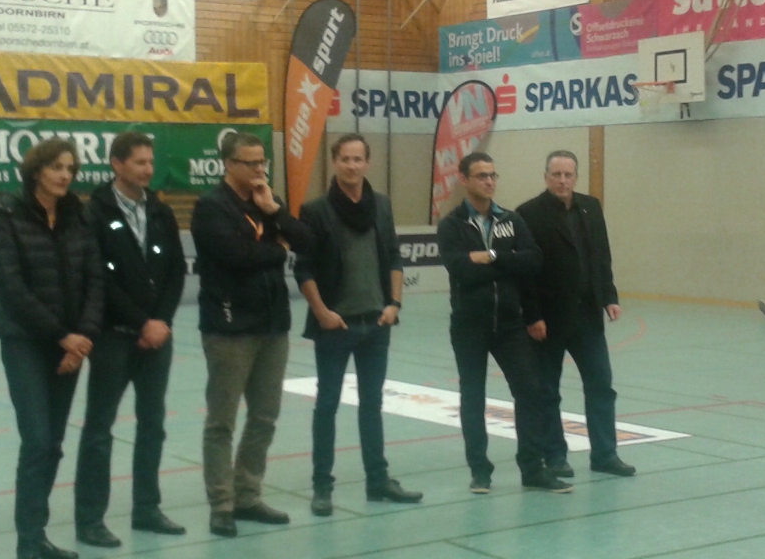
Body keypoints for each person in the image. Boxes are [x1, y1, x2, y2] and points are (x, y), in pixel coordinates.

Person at [0, 138, 103, 559]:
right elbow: (9, 284)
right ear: (36, 170)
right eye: (56, 167)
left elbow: (95, 280)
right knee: (36, 440)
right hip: (25, 343)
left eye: (70, 168)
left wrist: (81, 338)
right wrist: (61, 335)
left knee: (53, 443)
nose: (64, 175)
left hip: (71, 346)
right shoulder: (8, 215)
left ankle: (40, 532)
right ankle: (27, 548)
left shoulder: (79, 217)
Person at [295, 133, 422, 517]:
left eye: (358, 159)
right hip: (336, 327)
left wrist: (394, 304)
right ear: (335, 162)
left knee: (372, 405)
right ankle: (322, 487)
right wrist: (322, 312)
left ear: (367, 162)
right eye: (345, 159)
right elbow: (304, 269)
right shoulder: (315, 211)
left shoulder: (381, 205)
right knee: (327, 405)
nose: (352, 165)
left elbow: (394, 257)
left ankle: (378, 481)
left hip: (376, 324)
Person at [191, 132, 311, 538]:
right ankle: (221, 503)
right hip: (229, 328)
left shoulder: (266, 200)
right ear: (229, 164)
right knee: (221, 421)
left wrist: (274, 214)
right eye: (251, 163)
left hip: (273, 325)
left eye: (262, 162)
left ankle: (247, 494)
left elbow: (305, 241)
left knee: (264, 416)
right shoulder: (211, 207)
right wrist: (277, 250)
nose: (259, 169)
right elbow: (236, 256)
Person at [74, 132, 187, 548]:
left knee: (152, 425)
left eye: (150, 162)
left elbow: (176, 269)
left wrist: (162, 321)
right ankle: (90, 519)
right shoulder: (93, 212)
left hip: (157, 338)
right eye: (139, 162)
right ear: (116, 164)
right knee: (99, 429)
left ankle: (147, 509)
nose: (147, 169)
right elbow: (99, 278)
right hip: (113, 338)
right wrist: (142, 322)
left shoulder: (159, 210)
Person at [437, 152, 571, 495]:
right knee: (473, 397)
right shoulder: (452, 225)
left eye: (492, 175)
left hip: (510, 325)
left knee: (529, 391)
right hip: (469, 325)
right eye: (481, 176)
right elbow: (462, 270)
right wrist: (507, 264)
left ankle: (532, 468)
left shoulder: (511, 219)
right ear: (464, 180)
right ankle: (480, 471)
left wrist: (492, 257)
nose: (489, 181)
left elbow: (533, 260)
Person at [516, 151, 635, 478]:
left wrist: (609, 296)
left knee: (601, 385)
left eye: (568, 174)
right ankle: (555, 456)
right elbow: (525, 272)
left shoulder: (590, 207)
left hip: (587, 317)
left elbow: (601, 256)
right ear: (546, 177)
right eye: (556, 174)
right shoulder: (528, 213)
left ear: (575, 177)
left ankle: (605, 455)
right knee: (547, 391)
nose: (562, 180)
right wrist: (532, 316)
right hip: (548, 320)